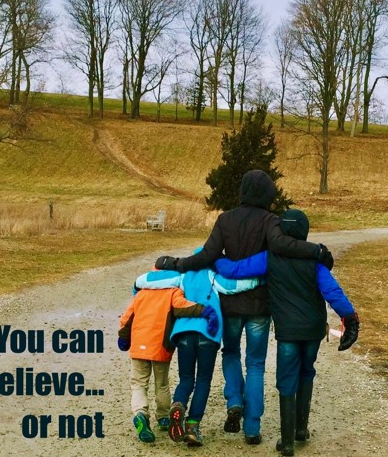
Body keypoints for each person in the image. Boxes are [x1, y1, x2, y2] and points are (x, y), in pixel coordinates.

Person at [155, 169, 334, 445]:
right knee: (256, 364)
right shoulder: (270, 220)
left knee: (231, 353)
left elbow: (207, 255)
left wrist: (176, 263)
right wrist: (317, 251)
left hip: (230, 306)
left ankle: (235, 401)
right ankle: (252, 428)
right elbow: (282, 245)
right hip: (260, 305)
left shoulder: (225, 219)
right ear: (267, 194)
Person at [215, 208, 360, 456]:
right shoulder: (314, 260)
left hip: (288, 332)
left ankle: (287, 442)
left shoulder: (270, 258)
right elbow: (332, 291)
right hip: (313, 329)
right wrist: (350, 319)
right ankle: (301, 429)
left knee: (286, 378)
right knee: (307, 371)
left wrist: (215, 258)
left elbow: (235, 270)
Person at [133, 259, 262, 447]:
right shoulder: (213, 274)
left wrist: (137, 282)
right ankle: (192, 426)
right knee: (203, 380)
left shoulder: (183, 276)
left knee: (186, 379)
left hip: (184, 332)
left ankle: (178, 404)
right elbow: (233, 286)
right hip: (207, 334)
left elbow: (157, 279)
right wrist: (258, 280)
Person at [117, 275, 219, 443]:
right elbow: (183, 307)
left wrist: (123, 337)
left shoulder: (141, 294)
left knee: (139, 383)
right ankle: (163, 417)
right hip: (160, 347)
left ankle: (140, 414)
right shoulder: (172, 292)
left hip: (138, 346)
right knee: (162, 383)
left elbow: (127, 318)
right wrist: (205, 310)